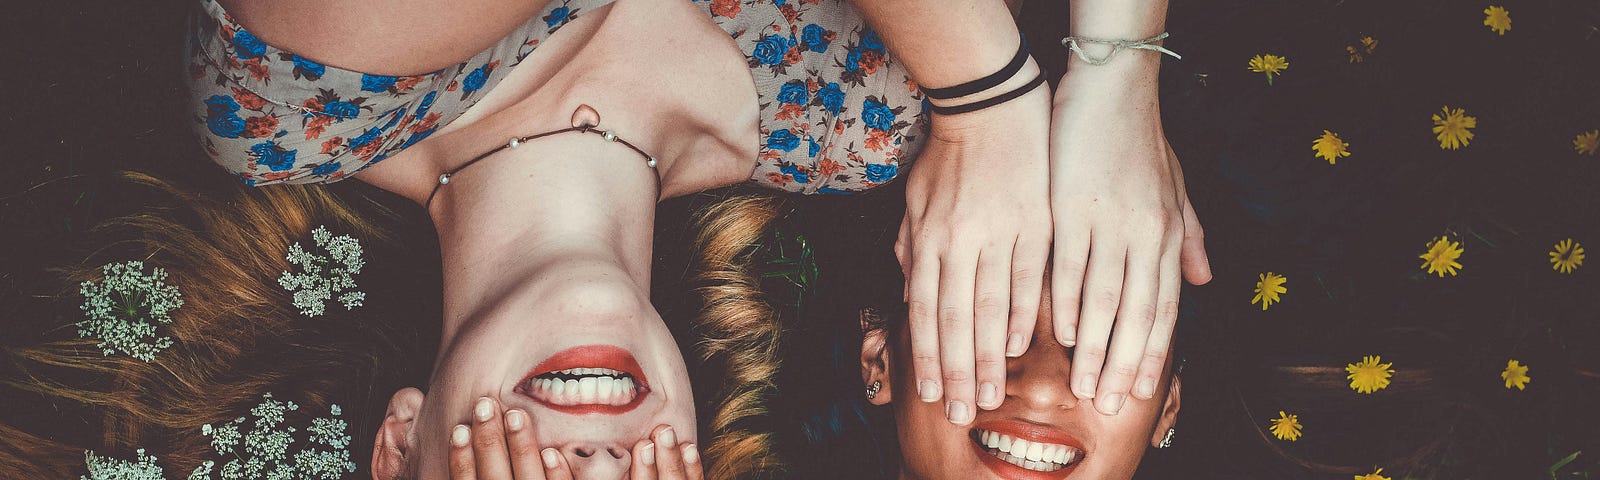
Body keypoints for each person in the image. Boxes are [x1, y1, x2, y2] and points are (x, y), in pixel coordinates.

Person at [185, 0, 936, 477]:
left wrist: (989, 92)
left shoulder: (290, 101)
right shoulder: (866, 121)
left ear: (399, 445)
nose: (599, 464)